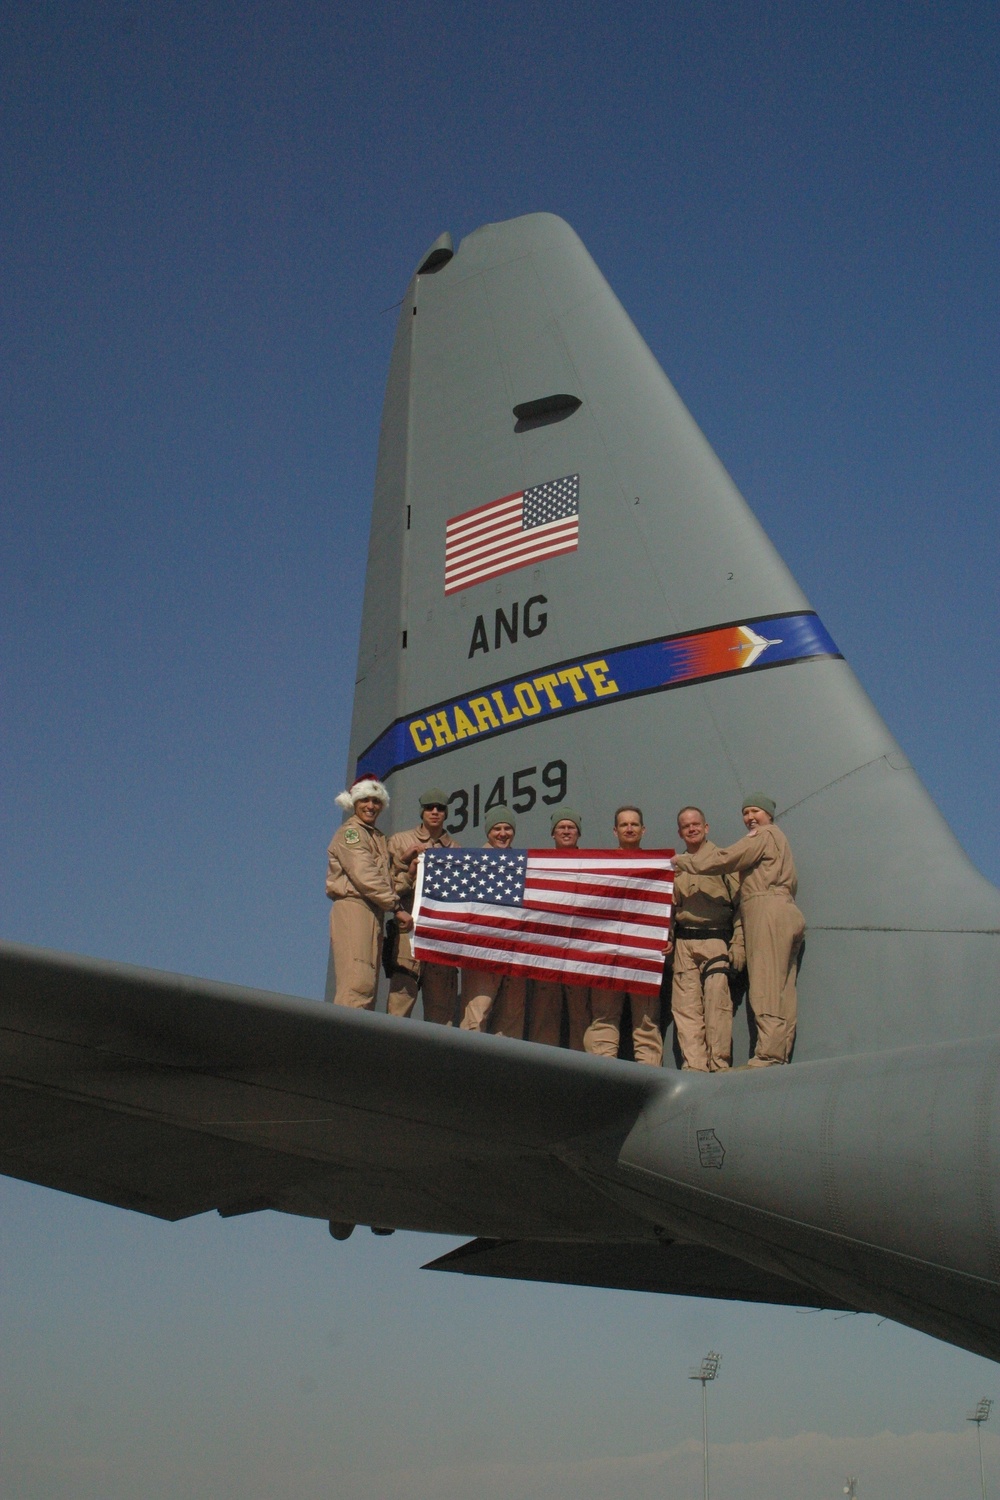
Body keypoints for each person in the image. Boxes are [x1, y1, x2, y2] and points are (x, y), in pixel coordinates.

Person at [673, 795, 804, 1067]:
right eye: (746, 813)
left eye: (755, 811)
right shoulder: (777, 838)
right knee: (782, 989)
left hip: (765, 908)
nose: (750, 818)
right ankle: (779, 1051)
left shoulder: (763, 835)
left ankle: (768, 1055)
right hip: (782, 908)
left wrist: (684, 863)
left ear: (768, 814)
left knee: (766, 986)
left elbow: (726, 858)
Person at [583, 805, 663, 1066]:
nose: (629, 828)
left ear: (643, 829)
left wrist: (667, 936)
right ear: (615, 830)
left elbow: (666, 907)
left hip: (644, 952)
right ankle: (602, 1071)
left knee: (647, 1020)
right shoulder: (603, 865)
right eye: (624, 825)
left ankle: (649, 1073)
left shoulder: (658, 865)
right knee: (604, 1016)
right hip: (608, 954)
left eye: (634, 824)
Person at [325, 777, 411, 1009]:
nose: (370, 806)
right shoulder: (351, 834)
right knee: (357, 985)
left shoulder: (377, 837)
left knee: (367, 989)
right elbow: (366, 877)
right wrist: (396, 907)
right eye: (364, 800)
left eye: (375, 801)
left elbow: (386, 881)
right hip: (355, 906)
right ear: (354, 802)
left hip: (374, 911)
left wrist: (409, 872)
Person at [670, 806, 744, 1071]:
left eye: (696, 824)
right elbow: (668, 908)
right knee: (686, 1009)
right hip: (684, 943)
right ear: (680, 832)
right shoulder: (675, 867)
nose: (692, 829)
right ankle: (694, 1068)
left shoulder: (723, 861)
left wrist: (739, 943)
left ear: (706, 827)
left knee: (718, 1006)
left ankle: (719, 1064)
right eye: (686, 826)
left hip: (716, 940)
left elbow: (740, 905)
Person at [386, 788, 460, 1024]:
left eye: (440, 808)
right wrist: (407, 864)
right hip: (408, 934)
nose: (435, 812)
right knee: (400, 1006)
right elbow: (385, 886)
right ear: (422, 812)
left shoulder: (457, 851)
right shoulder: (400, 841)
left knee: (441, 1014)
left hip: (440, 937)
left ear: (446, 813)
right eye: (429, 808)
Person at [458, 805, 527, 1039]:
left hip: (514, 951)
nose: (503, 833)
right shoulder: (472, 863)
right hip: (483, 952)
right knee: (477, 1015)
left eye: (507, 828)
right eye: (497, 828)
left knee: (511, 1021)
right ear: (488, 832)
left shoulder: (521, 863)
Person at [528, 807, 591, 1050]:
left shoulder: (593, 863)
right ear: (553, 833)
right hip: (548, 951)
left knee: (580, 1014)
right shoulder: (539, 862)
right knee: (544, 1012)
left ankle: (581, 1067)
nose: (566, 831)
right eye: (561, 827)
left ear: (578, 833)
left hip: (579, 950)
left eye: (571, 827)